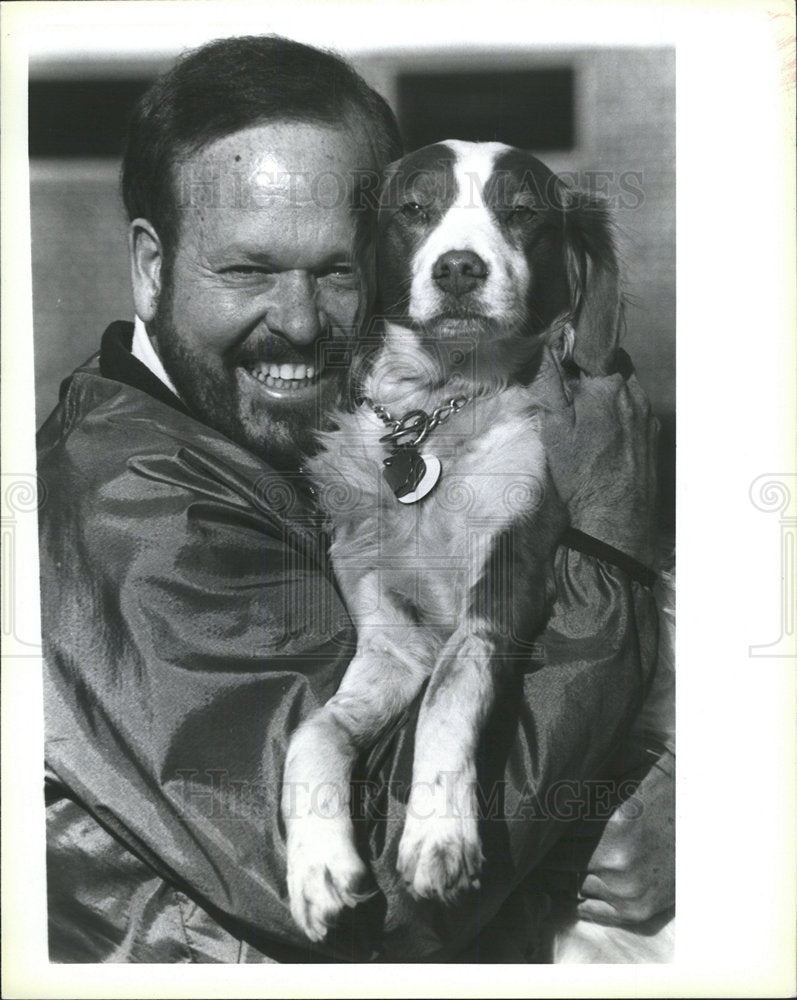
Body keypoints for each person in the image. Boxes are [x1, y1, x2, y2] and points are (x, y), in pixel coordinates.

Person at [38, 34, 673, 963]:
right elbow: (393, 892)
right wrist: (605, 550)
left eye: (337, 271)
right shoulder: (124, 508)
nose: (301, 323)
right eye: (248, 270)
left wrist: (682, 796)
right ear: (150, 267)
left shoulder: (281, 436)